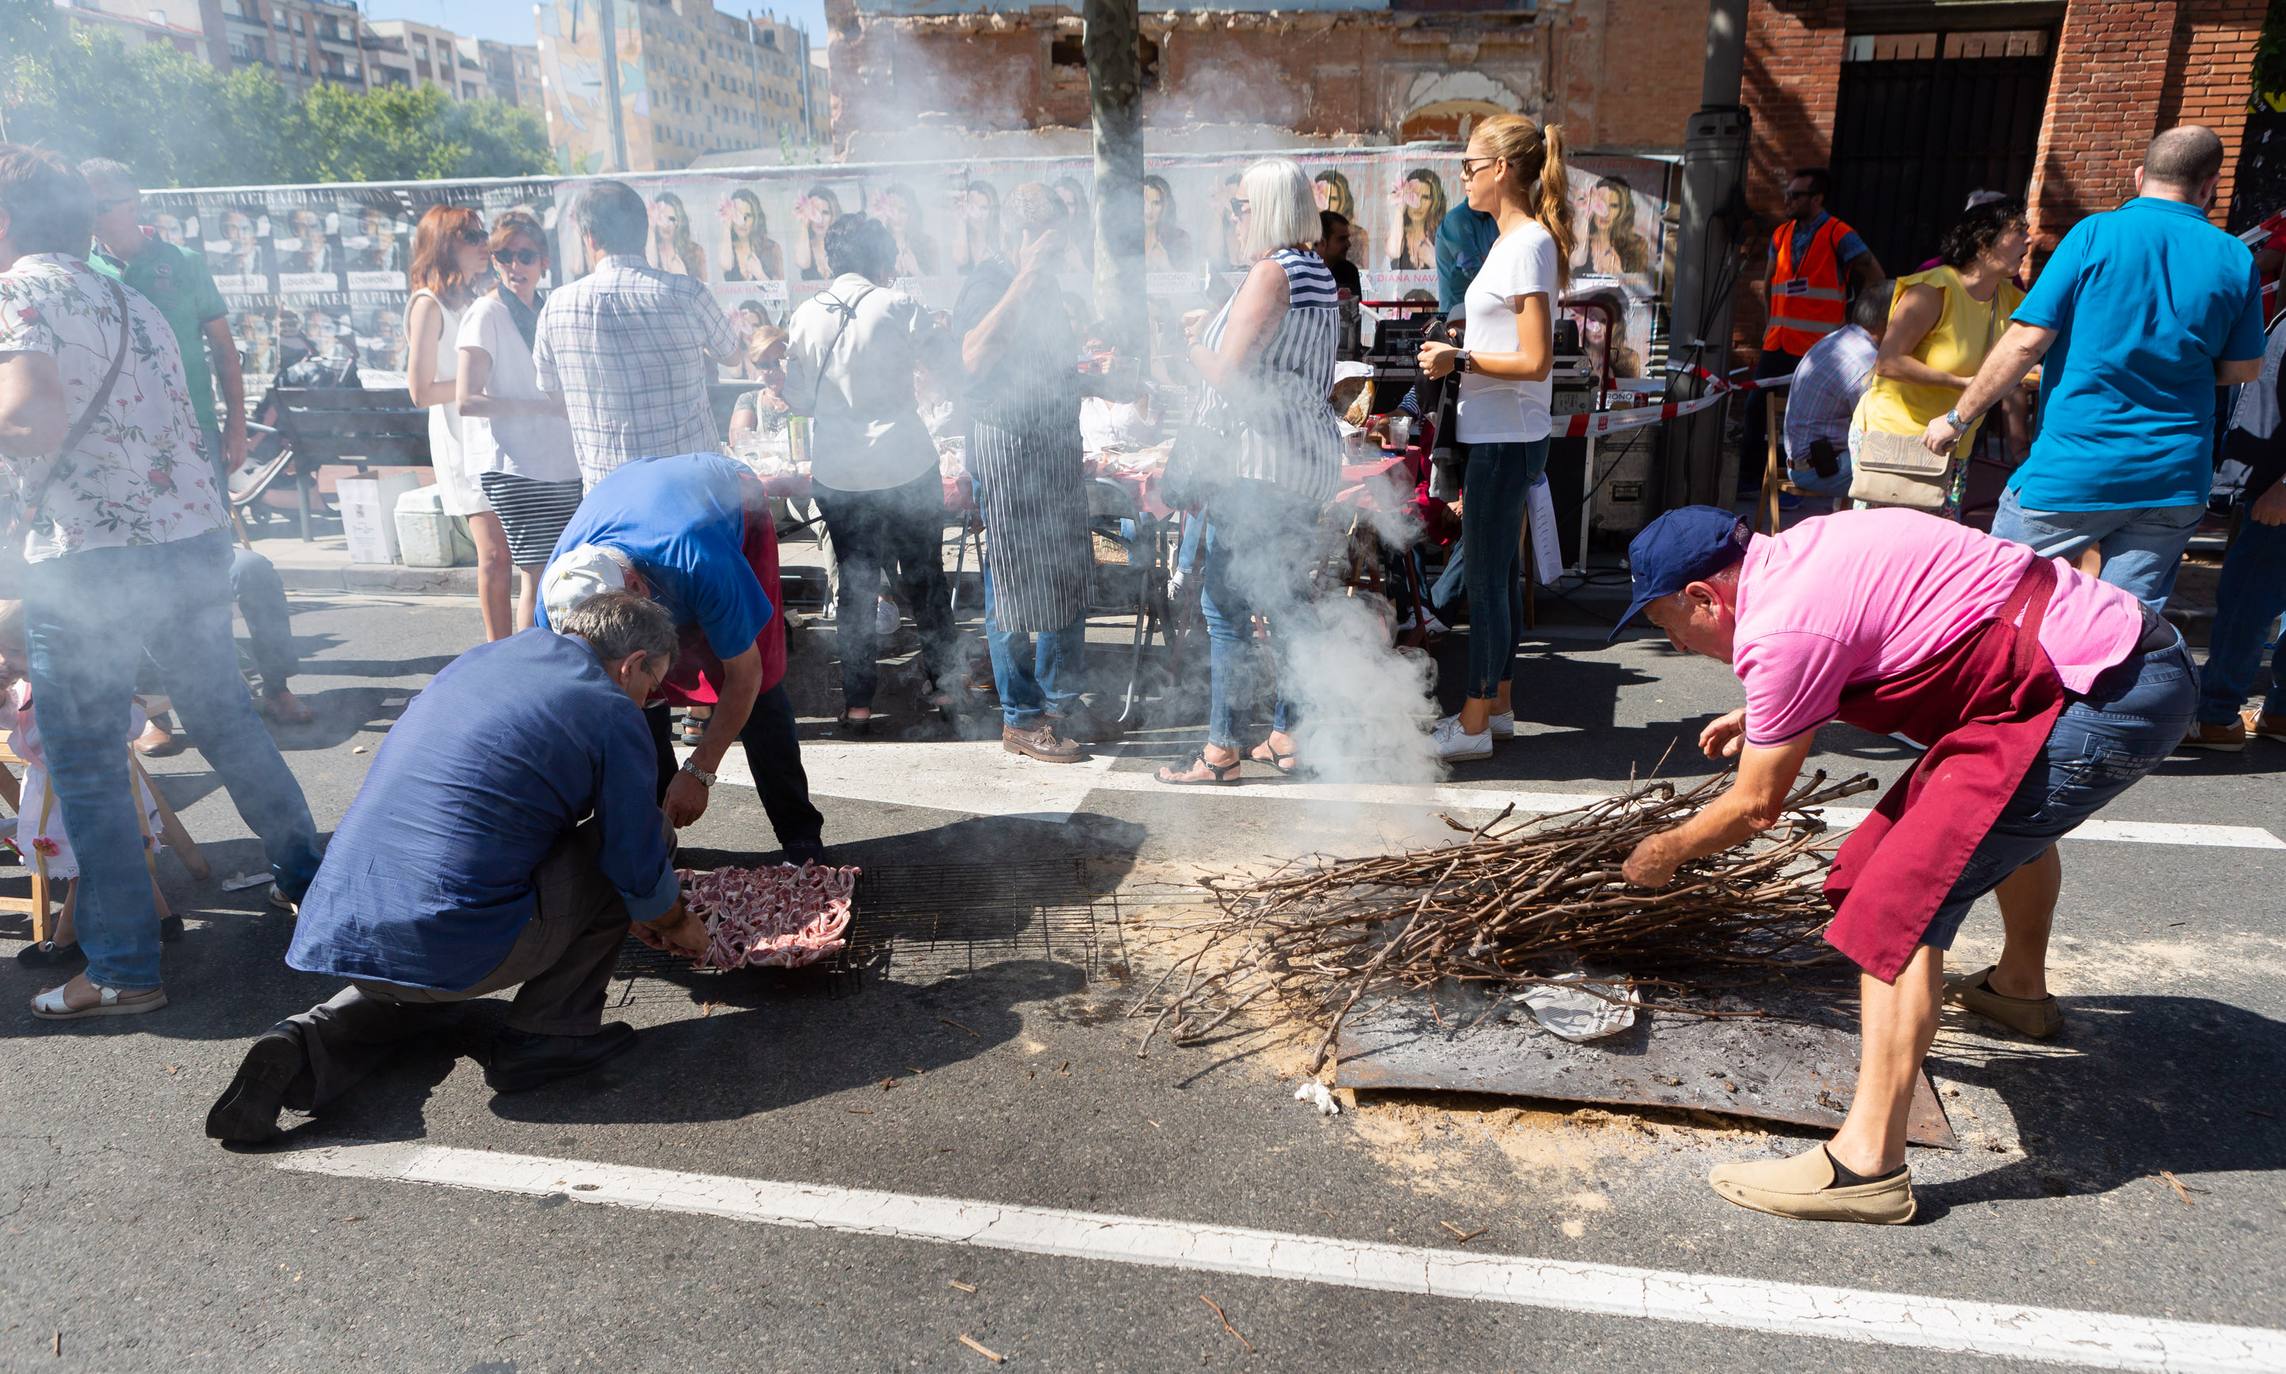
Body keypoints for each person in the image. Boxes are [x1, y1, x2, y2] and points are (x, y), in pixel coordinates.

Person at [1610, 505, 2192, 1224]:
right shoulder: (1813, 547)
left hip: (2095, 697)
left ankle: (1866, 1166)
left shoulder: (1786, 627)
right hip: (2122, 664)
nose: (1675, 645)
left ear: (1705, 597)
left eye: (1668, 628)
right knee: (1996, 824)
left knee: (1892, 895)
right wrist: (1767, 714)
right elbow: (1875, 630)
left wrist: (1662, 852)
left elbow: (1756, 805)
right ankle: (2018, 991)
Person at [0, 147, 320, 1018]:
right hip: (188, 538)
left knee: (90, 762)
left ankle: (122, 970)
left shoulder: (18, 293)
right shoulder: (133, 297)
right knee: (224, 715)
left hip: (93, 555)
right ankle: (316, 885)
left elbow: (27, 416)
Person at [204, 592, 709, 1142]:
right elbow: (632, 858)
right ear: (631, 663)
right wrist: (678, 923)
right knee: (647, 836)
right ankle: (549, 1035)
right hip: (452, 944)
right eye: (651, 685)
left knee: (417, 975)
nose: (645, 700)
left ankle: (305, 1041)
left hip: (348, 928)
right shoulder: (610, 709)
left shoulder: (482, 658)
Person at [1927, 126, 2267, 610]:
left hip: (2074, 470)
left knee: (1992, 609)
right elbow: (2244, 368)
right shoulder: (2236, 257)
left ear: (2139, 175)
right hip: (2172, 479)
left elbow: (2025, 342)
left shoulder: (2094, 234)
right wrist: (2176, 366)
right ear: (2210, 185)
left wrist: (1956, 419)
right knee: (2123, 632)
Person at [82, 160, 313, 727]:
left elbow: (225, 353)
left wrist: (236, 427)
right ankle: (156, 715)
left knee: (223, 563)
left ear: (130, 202)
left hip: (193, 438)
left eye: (98, 202)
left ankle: (274, 685)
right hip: (116, 449)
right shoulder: (78, 270)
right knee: (133, 576)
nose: (88, 216)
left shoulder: (182, 264)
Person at [535, 455, 825, 861]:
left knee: (762, 688)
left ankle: (799, 832)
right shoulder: (556, 598)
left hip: (727, 501)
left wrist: (700, 770)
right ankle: (654, 834)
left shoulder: (700, 560)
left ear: (635, 586)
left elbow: (746, 675)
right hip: (635, 498)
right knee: (629, 688)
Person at [1155, 158, 1341, 785]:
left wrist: (1190, 347)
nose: (1232, 217)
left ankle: (1220, 751)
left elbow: (1231, 376)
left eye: (1239, 207)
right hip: (1300, 457)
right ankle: (1289, 732)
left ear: (1263, 210)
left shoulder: (1270, 271)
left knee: (1225, 605)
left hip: (1257, 461)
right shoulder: (1312, 268)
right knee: (1285, 599)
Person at [1417, 113, 1572, 762]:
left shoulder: (1528, 243)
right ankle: (1498, 704)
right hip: (1502, 432)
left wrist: (1460, 361)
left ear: (1502, 170)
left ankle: (1474, 720)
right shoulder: (1516, 243)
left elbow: (1536, 359)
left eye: (1471, 166)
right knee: (1500, 578)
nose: (1464, 178)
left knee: (1484, 582)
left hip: (1506, 436)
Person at [954, 183, 1125, 763]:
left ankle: (1061, 706)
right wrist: (1024, 279)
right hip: (1009, 450)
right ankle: (1022, 718)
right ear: (1023, 237)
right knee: (1013, 583)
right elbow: (973, 359)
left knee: (1067, 577)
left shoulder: (1048, 286)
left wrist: (1097, 382)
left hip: (1053, 448)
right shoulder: (989, 282)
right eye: (1051, 243)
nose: (1060, 255)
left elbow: (1044, 370)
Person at [784, 214, 962, 733]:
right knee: (926, 578)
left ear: (831, 259)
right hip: (906, 461)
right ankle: (947, 689)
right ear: (881, 258)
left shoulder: (806, 314)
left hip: (840, 470)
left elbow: (798, 398)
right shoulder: (899, 305)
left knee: (857, 587)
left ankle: (858, 704)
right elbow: (949, 368)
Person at [534, 180, 741, 490]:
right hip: (690, 486)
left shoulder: (556, 306)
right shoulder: (686, 293)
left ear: (590, 238)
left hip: (609, 492)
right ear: (644, 232)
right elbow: (733, 354)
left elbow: (551, 391)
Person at [1851, 198, 2029, 509]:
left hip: (1953, 444)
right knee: (1887, 543)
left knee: (1938, 544)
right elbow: (1888, 363)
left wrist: (2019, 444)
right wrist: (1965, 384)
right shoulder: (1934, 289)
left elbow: (2012, 367)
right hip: (1895, 437)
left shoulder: (2013, 300)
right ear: (1984, 239)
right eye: (2019, 230)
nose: (2029, 239)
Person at [457, 210, 583, 635]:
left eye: (525, 256)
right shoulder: (485, 313)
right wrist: (543, 407)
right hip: (514, 466)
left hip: (561, 463)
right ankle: (531, 667)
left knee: (564, 573)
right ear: (494, 260)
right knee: (539, 574)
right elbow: (467, 400)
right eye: (505, 255)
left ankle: (551, 663)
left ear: (543, 261)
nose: (515, 266)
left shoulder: (547, 308)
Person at [1741, 168, 1885, 494]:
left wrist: (1862, 320)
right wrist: (1769, 323)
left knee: (1803, 417)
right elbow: (1768, 284)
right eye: (1787, 194)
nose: (1787, 201)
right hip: (1778, 341)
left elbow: (1875, 275)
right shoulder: (1781, 234)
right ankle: (1751, 481)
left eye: (1796, 195)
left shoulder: (1838, 233)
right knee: (1755, 409)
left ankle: (1796, 480)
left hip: (1819, 348)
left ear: (1817, 198)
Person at [407, 204, 515, 641]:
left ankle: (517, 647)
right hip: (462, 441)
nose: (483, 244)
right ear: (444, 245)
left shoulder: (475, 300)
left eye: (482, 233)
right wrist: (476, 384)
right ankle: (500, 650)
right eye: (471, 236)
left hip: (493, 435)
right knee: (493, 555)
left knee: (513, 553)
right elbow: (420, 391)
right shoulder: (428, 304)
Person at [2183, 309, 2286, 750]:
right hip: (2268, 484)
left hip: (2275, 492)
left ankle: (2215, 717)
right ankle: (2279, 714)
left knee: (2247, 603)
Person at [1781, 285, 1888, 500]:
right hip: (1821, 470)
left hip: (1807, 462)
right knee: (1900, 474)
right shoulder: (1866, 361)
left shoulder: (1838, 338)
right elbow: (1881, 426)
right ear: (1890, 321)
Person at [1573, 175, 1650, 280]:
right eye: (1601, 204)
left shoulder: (1637, 245)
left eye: (1614, 206)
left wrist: (1619, 274)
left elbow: (1645, 287)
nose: (1606, 212)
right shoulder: (1580, 242)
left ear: (1623, 210)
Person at [1435, 199, 1499, 320]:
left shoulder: (1495, 218)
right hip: (1458, 319)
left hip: (1488, 314)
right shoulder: (1457, 218)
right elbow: (1472, 269)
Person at [721, 188, 783, 283]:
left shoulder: (771, 248)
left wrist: (760, 275)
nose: (742, 222)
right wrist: (726, 226)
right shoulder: (728, 247)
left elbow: (781, 294)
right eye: (737, 215)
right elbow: (726, 265)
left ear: (756, 218)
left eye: (748, 215)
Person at [647, 192, 706, 280]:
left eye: (671, 219)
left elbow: (704, 288)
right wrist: (651, 228)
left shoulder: (695, 252)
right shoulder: (646, 251)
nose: (666, 224)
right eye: (661, 218)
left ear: (680, 221)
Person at [1141, 176, 1194, 273]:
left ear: (1165, 206)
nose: (1148, 210)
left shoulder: (1180, 239)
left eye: (1156, 203)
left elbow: (1188, 285)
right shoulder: (1127, 241)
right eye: (1144, 202)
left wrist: (1166, 266)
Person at [792, 184, 841, 281]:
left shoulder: (841, 245)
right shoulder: (805, 245)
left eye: (825, 212)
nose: (819, 219)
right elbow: (803, 263)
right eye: (814, 212)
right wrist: (804, 224)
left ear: (834, 214)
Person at [1317, 210, 1363, 299]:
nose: (1348, 244)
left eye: (1347, 238)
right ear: (1322, 242)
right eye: (1342, 239)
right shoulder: (1304, 272)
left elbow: (1353, 310)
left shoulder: (1349, 271)